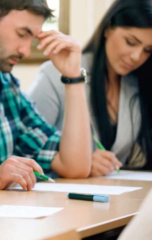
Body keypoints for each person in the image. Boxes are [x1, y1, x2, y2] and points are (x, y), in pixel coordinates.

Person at [0, 0, 92, 190]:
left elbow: (75, 166)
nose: (26, 51)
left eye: (33, 39)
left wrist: (73, 77)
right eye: (22, 34)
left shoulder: (7, 89)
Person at [28, 0, 152, 176]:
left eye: (147, 50)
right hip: (57, 193)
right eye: (131, 42)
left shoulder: (137, 84)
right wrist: (78, 161)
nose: (136, 56)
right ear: (108, 28)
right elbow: (24, 145)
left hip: (110, 194)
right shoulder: (55, 73)